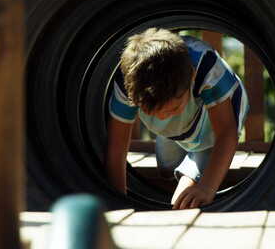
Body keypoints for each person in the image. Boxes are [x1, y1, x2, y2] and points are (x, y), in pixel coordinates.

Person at [105, 27, 249, 209]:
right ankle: (181, 146)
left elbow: (227, 133)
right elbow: (117, 148)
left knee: (183, 198)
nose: (162, 116)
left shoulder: (206, 70)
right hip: (177, 129)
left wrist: (206, 187)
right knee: (166, 167)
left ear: (192, 77)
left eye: (171, 108)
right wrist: (119, 201)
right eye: (151, 112)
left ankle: (192, 167)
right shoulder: (127, 83)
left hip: (216, 118)